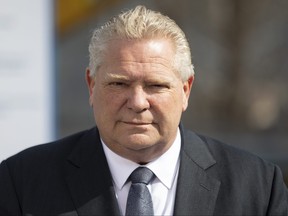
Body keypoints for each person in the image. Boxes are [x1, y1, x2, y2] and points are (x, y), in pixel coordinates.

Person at [0, 5, 287, 216]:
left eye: (156, 85)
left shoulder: (258, 187)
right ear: (91, 85)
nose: (137, 102)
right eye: (119, 83)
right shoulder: (21, 183)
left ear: (185, 90)